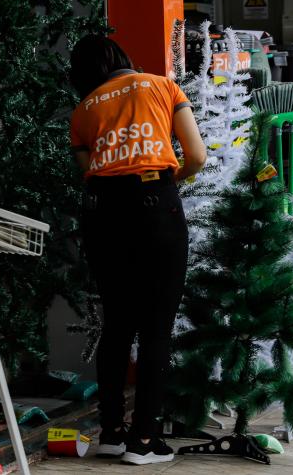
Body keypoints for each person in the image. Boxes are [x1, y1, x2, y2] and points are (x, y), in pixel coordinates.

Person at [68, 35, 206, 465]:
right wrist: (166, 187)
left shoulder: (83, 109)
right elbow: (197, 156)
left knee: (117, 324)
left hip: (104, 216)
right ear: (122, 59)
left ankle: (111, 432)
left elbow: (89, 173)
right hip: (155, 208)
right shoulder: (163, 87)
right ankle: (144, 441)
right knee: (156, 327)